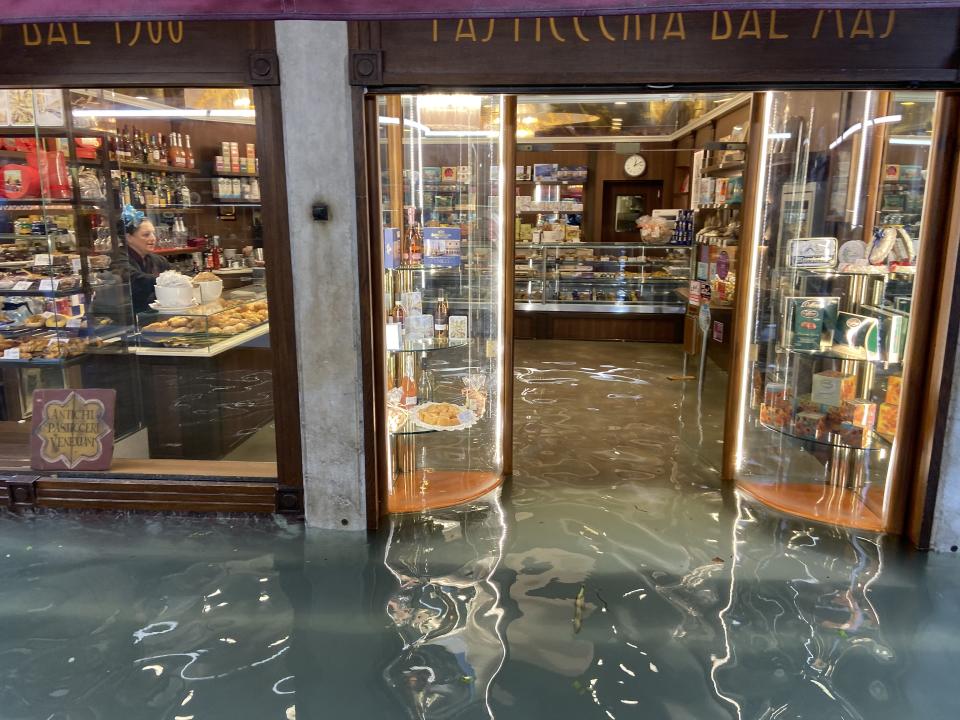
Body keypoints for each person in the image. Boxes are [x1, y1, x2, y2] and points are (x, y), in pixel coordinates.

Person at [111, 205, 170, 315]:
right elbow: (134, 279)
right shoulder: (118, 260)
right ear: (128, 238)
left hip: (155, 318)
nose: (153, 238)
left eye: (153, 233)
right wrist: (168, 280)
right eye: (146, 235)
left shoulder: (159, 260)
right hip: (127, 320)